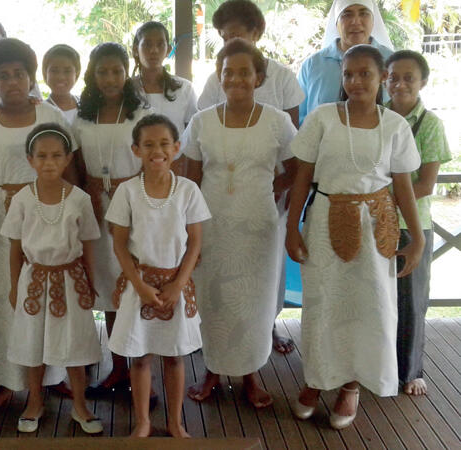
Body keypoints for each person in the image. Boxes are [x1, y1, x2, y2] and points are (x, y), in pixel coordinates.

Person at [286, 44, 423, 429]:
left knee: (369, 306)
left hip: (377, 224)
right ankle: (316, 380)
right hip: (327, 219)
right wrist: (292, 225)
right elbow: (301, 176)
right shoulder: (323, 119)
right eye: (349, 74)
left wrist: (418, 238)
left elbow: (402, 185)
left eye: (365, 73)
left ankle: (350, 386)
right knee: (324, 303)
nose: (356, 81)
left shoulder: (393, 125)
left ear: (382, 78)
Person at [0, 38, 73, 414]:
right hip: (0, 223)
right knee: (2, 305)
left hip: (48, 218)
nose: (12, 82)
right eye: (3, 76)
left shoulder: (50, 116)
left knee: (49, 298)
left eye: (19, 74)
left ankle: (52, 377)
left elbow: (69, 171)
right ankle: (7, 383)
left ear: (30, 76)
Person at [184, 39, 297, 408]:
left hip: (258, 229)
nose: (235, 78)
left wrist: (269, 191)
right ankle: (212, 372)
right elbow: (190, 178)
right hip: (212, 227)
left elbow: (296, 171)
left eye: (244, 72)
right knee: (214, 301)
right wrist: (189, 232)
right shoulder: (202, 122)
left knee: (255, 304)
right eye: (227, 72)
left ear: (259, 77)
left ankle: (250, 375)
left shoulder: (278, 122)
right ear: (219, 76)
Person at [196, 0, 305, 354]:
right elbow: (197, 157)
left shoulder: (282, 87)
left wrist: (272, 187)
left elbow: (294, 153)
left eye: (237, 34)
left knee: (258, 286)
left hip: (263, 203)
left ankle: (257, 356)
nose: (229, 40)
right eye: (224, 36)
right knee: (215, 288)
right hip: (215, 212)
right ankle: (215, 365)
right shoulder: (212, 92)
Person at [106, 114, 209, 438]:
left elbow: (195, 243)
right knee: (139, 357)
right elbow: (119, 245)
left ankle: (176, 422)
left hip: (176, 285)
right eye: (148, 144)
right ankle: (143, 421)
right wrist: (139, 285)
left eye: (164, 143)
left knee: (175, 357)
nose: (157, 150)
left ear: (177, 148)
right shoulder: (127, 192)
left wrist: (178, 284)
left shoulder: (188, 190)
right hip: (139, 286)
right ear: (136, 149)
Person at [1, 123, 103, 434]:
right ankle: (35, 401)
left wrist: (90, 281)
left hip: (71, 281)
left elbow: (87, 245)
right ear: (30, 159)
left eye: (56, 155)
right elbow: (15, 247)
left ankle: (81, 404)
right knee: (34, 342)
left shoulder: (79, 199)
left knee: (74, 343)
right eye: (41, 155)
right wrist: (14, 285)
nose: (49, 162)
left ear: (68, 159)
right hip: (34, 281)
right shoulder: (22, 199)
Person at [71, 42, 152, 396]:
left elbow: (154, 158)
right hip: (95, 208)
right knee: (107, 288)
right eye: (102, 71)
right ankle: (118, 368)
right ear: (92, 75)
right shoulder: (82, 116)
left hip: (133, 206)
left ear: (127, 72)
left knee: (134, 284)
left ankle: (143, 376)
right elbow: (74, 164)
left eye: (117, 71)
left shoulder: (140, 114)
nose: (110, 78)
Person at [384, 50, 451, 396]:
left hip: (412, 226)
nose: (400, 84)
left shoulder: (430, 125)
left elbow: (426, 184)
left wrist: (380, 199)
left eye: (409, 77)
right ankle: (374, 366)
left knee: (411, 301)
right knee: (377, 298)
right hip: (374, 224)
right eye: (394, 76)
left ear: (423, 82)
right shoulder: (375, 117)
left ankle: (411, 372)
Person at [297, 0, 394, 125]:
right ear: (336, 23)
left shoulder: (391, 62)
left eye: (363, 14)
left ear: (373, 21)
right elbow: (298, 118)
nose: (355, 21)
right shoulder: (313, 65)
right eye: (347, 15)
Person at [131, 21, 197, 175]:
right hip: (134, 170)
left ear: (168, 50)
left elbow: (191, 134)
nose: (154, 50)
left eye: (160, 45)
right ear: (135, 49)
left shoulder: (184, 89)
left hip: (175, 168)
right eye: (147, 44)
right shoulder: (126, 89)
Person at [42, 44, 81, 124]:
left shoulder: (86, 106)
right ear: (45, 74)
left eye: (67, 71)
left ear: (76, 74)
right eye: (54, 71)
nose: (61, 77)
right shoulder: (40, 111)